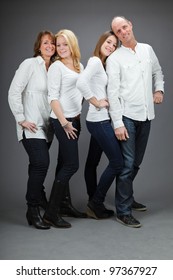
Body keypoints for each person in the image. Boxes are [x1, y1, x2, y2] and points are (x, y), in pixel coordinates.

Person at [106, 16, 164, 228]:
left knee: (136, 163)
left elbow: (158, 72)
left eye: (124, 27)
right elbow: (112, 93)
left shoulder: (147, 50)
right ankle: (123, 211)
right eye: (117, 31)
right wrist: (118, 123)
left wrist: (158, 89)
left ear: (130, 25)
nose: (122, 32)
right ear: (116, 35)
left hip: (147, 116)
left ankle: (127, 196)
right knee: (127, 164)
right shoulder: (115, 59)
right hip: (127, 117)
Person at [8, 30, 56, 229]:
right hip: (31, 125)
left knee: (36, 165)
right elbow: (14, 92)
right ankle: (32, 209)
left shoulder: (54, 68)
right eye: (46, 42)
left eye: (52, 43)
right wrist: (21, 119)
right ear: (39, 46)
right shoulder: (29, 64)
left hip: (48, 127)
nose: (50, 46)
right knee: (41, 163)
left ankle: (41, 198)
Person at [77, 31, 123, 219]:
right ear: (101, 41)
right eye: (109, 42)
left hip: (96, 121)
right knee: (118, 162)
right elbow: (81, 82)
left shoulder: (102, 64)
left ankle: (92, 202)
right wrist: (95, 102)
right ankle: (96, 202)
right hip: (99, 120)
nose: (111, 46)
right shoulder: (96, 61)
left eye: (114, 45)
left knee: (92, 163)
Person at [43, 29, 86, 229]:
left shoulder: (80, 66)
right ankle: (51, 213)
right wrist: (64, 122)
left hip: (75, 120)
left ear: (72, 45)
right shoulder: (56, 67)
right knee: (71, 165)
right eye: (58, 45)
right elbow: (52, 98)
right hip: (62, 121)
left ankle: (65, 205)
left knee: (63, 164)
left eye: (64, 44)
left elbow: (83, 91)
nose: (60, 48)